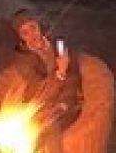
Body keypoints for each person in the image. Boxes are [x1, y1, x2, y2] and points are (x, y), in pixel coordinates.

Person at [7, 9, 83, 138]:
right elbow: (41, 90)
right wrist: (60, 73)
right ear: (20, 37)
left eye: (33, 27)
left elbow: (74, 75)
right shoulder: (22, 60)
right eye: (25, 33)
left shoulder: (58, 45)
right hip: (40, 103)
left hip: (65, 100)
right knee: (47, 129)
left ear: (38, 26)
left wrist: (66, 101)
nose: (32, 35)